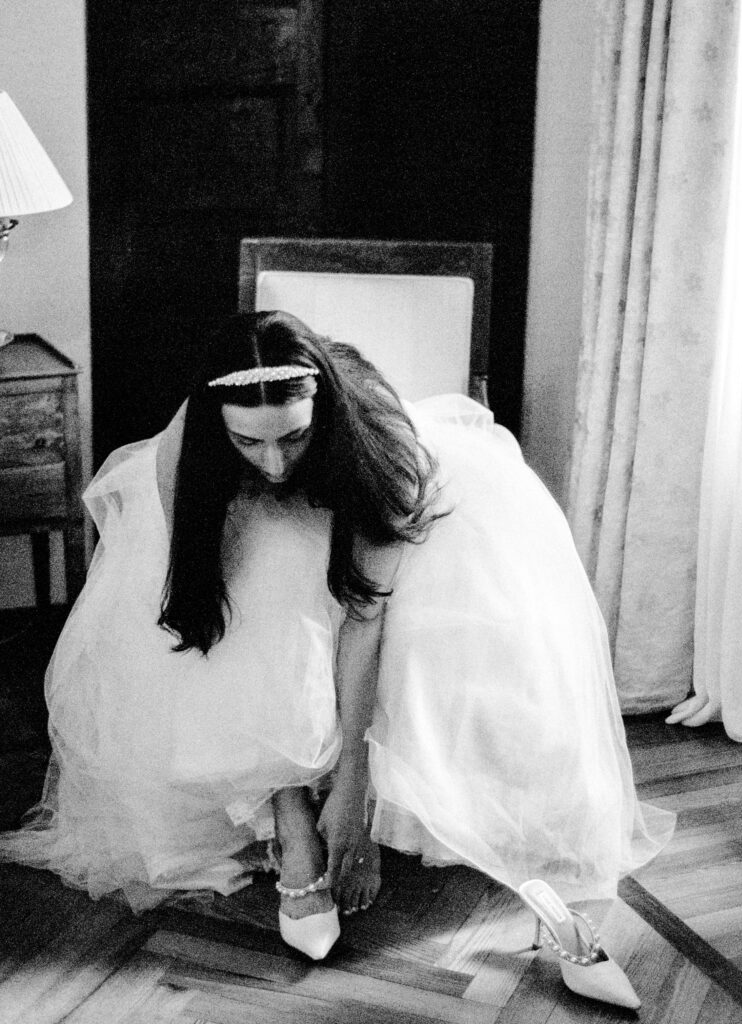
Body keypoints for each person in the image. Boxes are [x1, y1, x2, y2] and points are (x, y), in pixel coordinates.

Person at [0, 311, 674, 1007]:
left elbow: (363, 618)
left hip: (396, 526)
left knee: (476, 659)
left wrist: (354, 786)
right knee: (255, 606)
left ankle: (548, 879)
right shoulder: (188, 454)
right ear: (217, 429)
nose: (272, 462)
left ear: (321, 413)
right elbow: (218, 618)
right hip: (263, 542)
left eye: (292, 436)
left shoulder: (382, 452)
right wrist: (311, 813)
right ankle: (293, 830)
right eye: (248, 442)